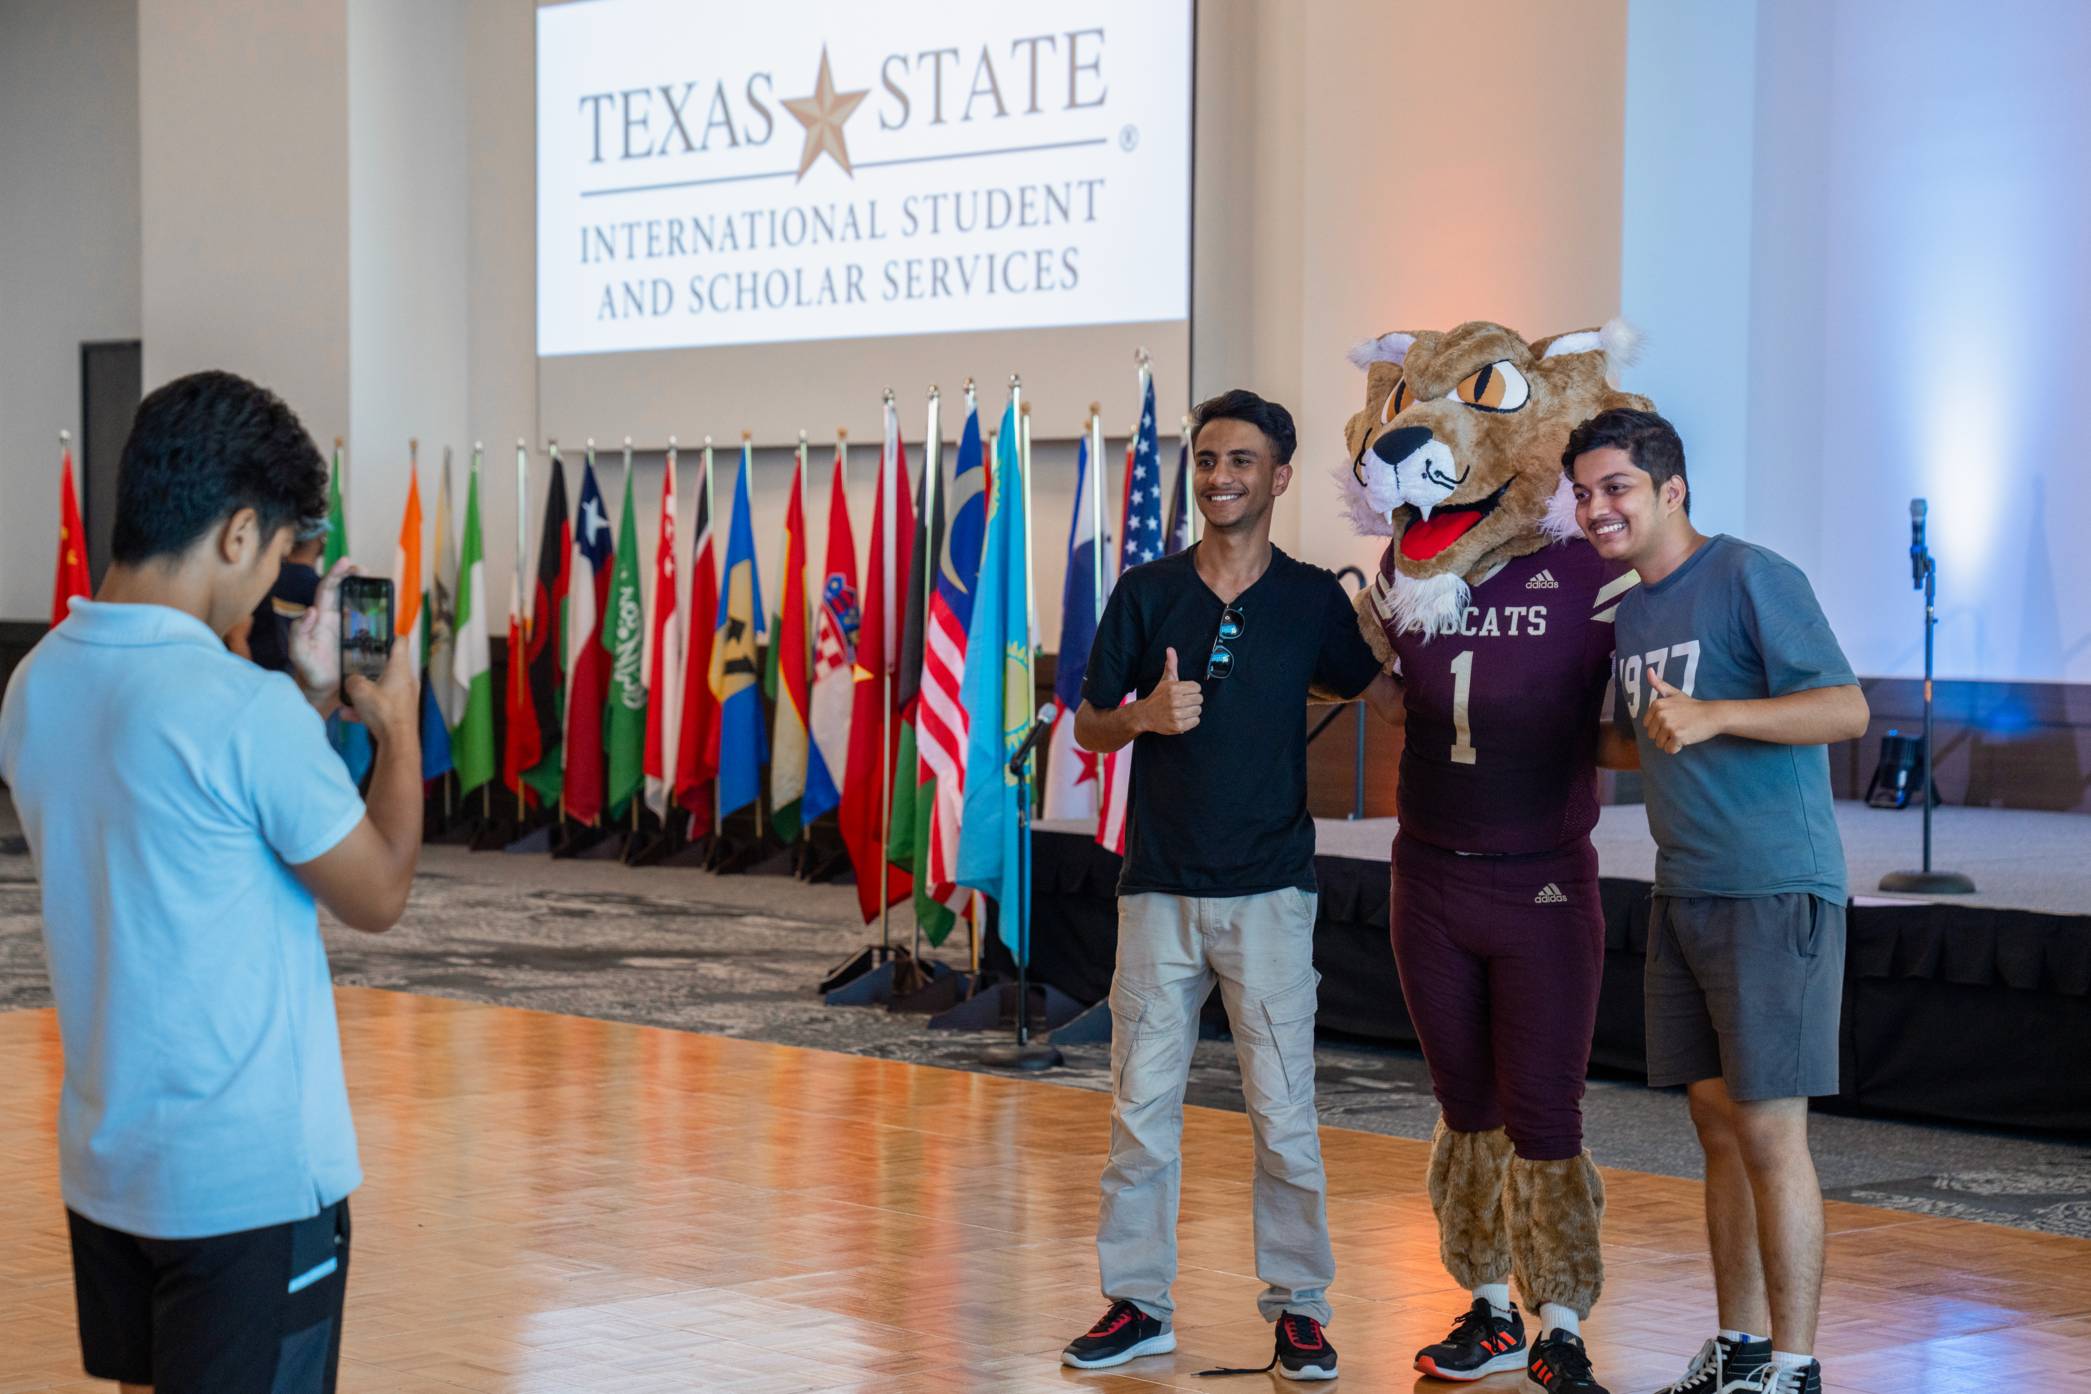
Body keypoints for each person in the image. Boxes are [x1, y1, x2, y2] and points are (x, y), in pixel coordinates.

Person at [0, 370, 424, 1394]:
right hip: (250, 1187)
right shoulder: (244, 710)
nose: (274, 576)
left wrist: (307, 703)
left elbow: (197, 816)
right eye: (280, 550)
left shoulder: (34, 683)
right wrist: (396, 725)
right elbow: (377, 892)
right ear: (238, 534)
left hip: (114, 1169)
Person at [1059, 390, 1399, 1382]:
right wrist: (1144, 717)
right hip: (1157, 889)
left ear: (1279, 476)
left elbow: (1375, 684)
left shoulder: (1307, 599)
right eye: (1206, 460)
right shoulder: (1146, 590)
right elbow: (1087, 721)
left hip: (1272, 896)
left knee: (1285, 1113)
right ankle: (1138, 1304)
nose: (1220, 477)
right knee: (1140, 1111)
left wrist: (1426, 598)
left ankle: (1299, 1308)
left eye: (1242, 461)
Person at [1565, 409, 1868, 1394]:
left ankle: (1795, 1362)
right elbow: (1628, 741)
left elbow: (1846, 706)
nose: (1596, 507)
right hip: (1682, 890)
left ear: (1670, 490)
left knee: (1773, 1132)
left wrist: (1719, 711)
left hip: (1774, 888)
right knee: (1716, 1126)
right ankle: (1739, 1346)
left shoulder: (1750, 574)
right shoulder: (1634, 610)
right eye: (1583, 491)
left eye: (1615, 487)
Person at [228, 528, 327, 672]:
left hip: (255, 680)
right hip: (300, 689)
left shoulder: (257, 582)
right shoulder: (325, 595)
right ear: (322, 541)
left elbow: (234, 637)